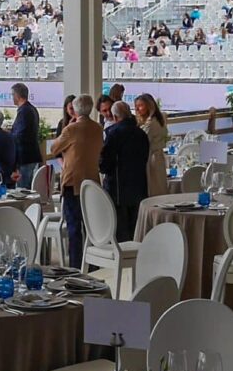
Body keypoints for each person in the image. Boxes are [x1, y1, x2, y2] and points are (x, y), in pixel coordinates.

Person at [49, 95, 102, 268]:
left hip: (73, 182)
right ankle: (93, 264)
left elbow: (54, 148)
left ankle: (75, 266)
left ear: (76, 109)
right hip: (93, 182)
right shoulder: (98, 128)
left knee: (74, 227)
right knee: (90, 226)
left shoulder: (71, 129)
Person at [100, 104, 150, 242]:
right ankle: (136, 257)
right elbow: (145, 158)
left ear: (115, 117)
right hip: (139, 187)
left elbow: (105, 163)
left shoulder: (113, 134)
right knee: (136, 227)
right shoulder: (142, 134)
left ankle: (122, 258)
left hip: (118, 189)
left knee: (121, 229)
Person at [133, 93, 171, 197]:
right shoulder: (159, 119)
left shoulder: (151, 123)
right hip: (157, 157)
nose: (137, 109)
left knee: (155, 188)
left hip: (153, 159)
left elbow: (142, 141)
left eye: (140, 106)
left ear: (149, 106)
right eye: (136, 106)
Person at [10, 82, 43, 189]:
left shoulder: (24, 111)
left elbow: (20, 135)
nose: (12, 98)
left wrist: (8, 135)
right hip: (31, 156)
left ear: (17, 96)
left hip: (25, 157)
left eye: (12, 95)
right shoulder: (31, 109)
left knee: (23, 190)